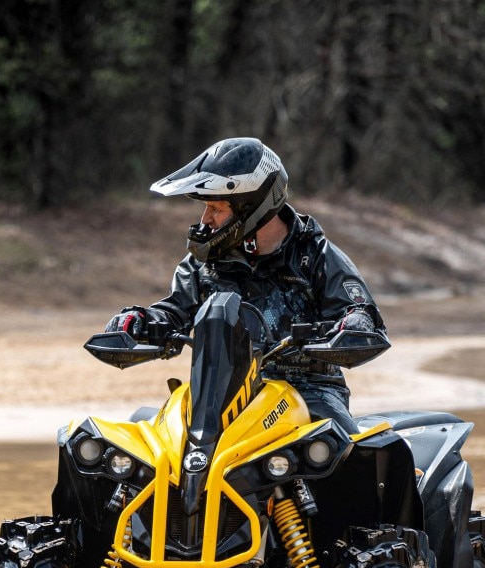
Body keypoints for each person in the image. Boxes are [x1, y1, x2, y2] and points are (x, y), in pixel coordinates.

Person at [105, 137, 385, 433]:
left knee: (344, 452)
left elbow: (360, 313)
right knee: (137, 448)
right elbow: (175, 310)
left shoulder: (315, 255)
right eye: (206, 208)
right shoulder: (205, 263)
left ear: (251, 209)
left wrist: (356, 322)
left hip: (308, 393)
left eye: (217, 208)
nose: (206, 219)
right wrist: (138, 321)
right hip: (217, 396)